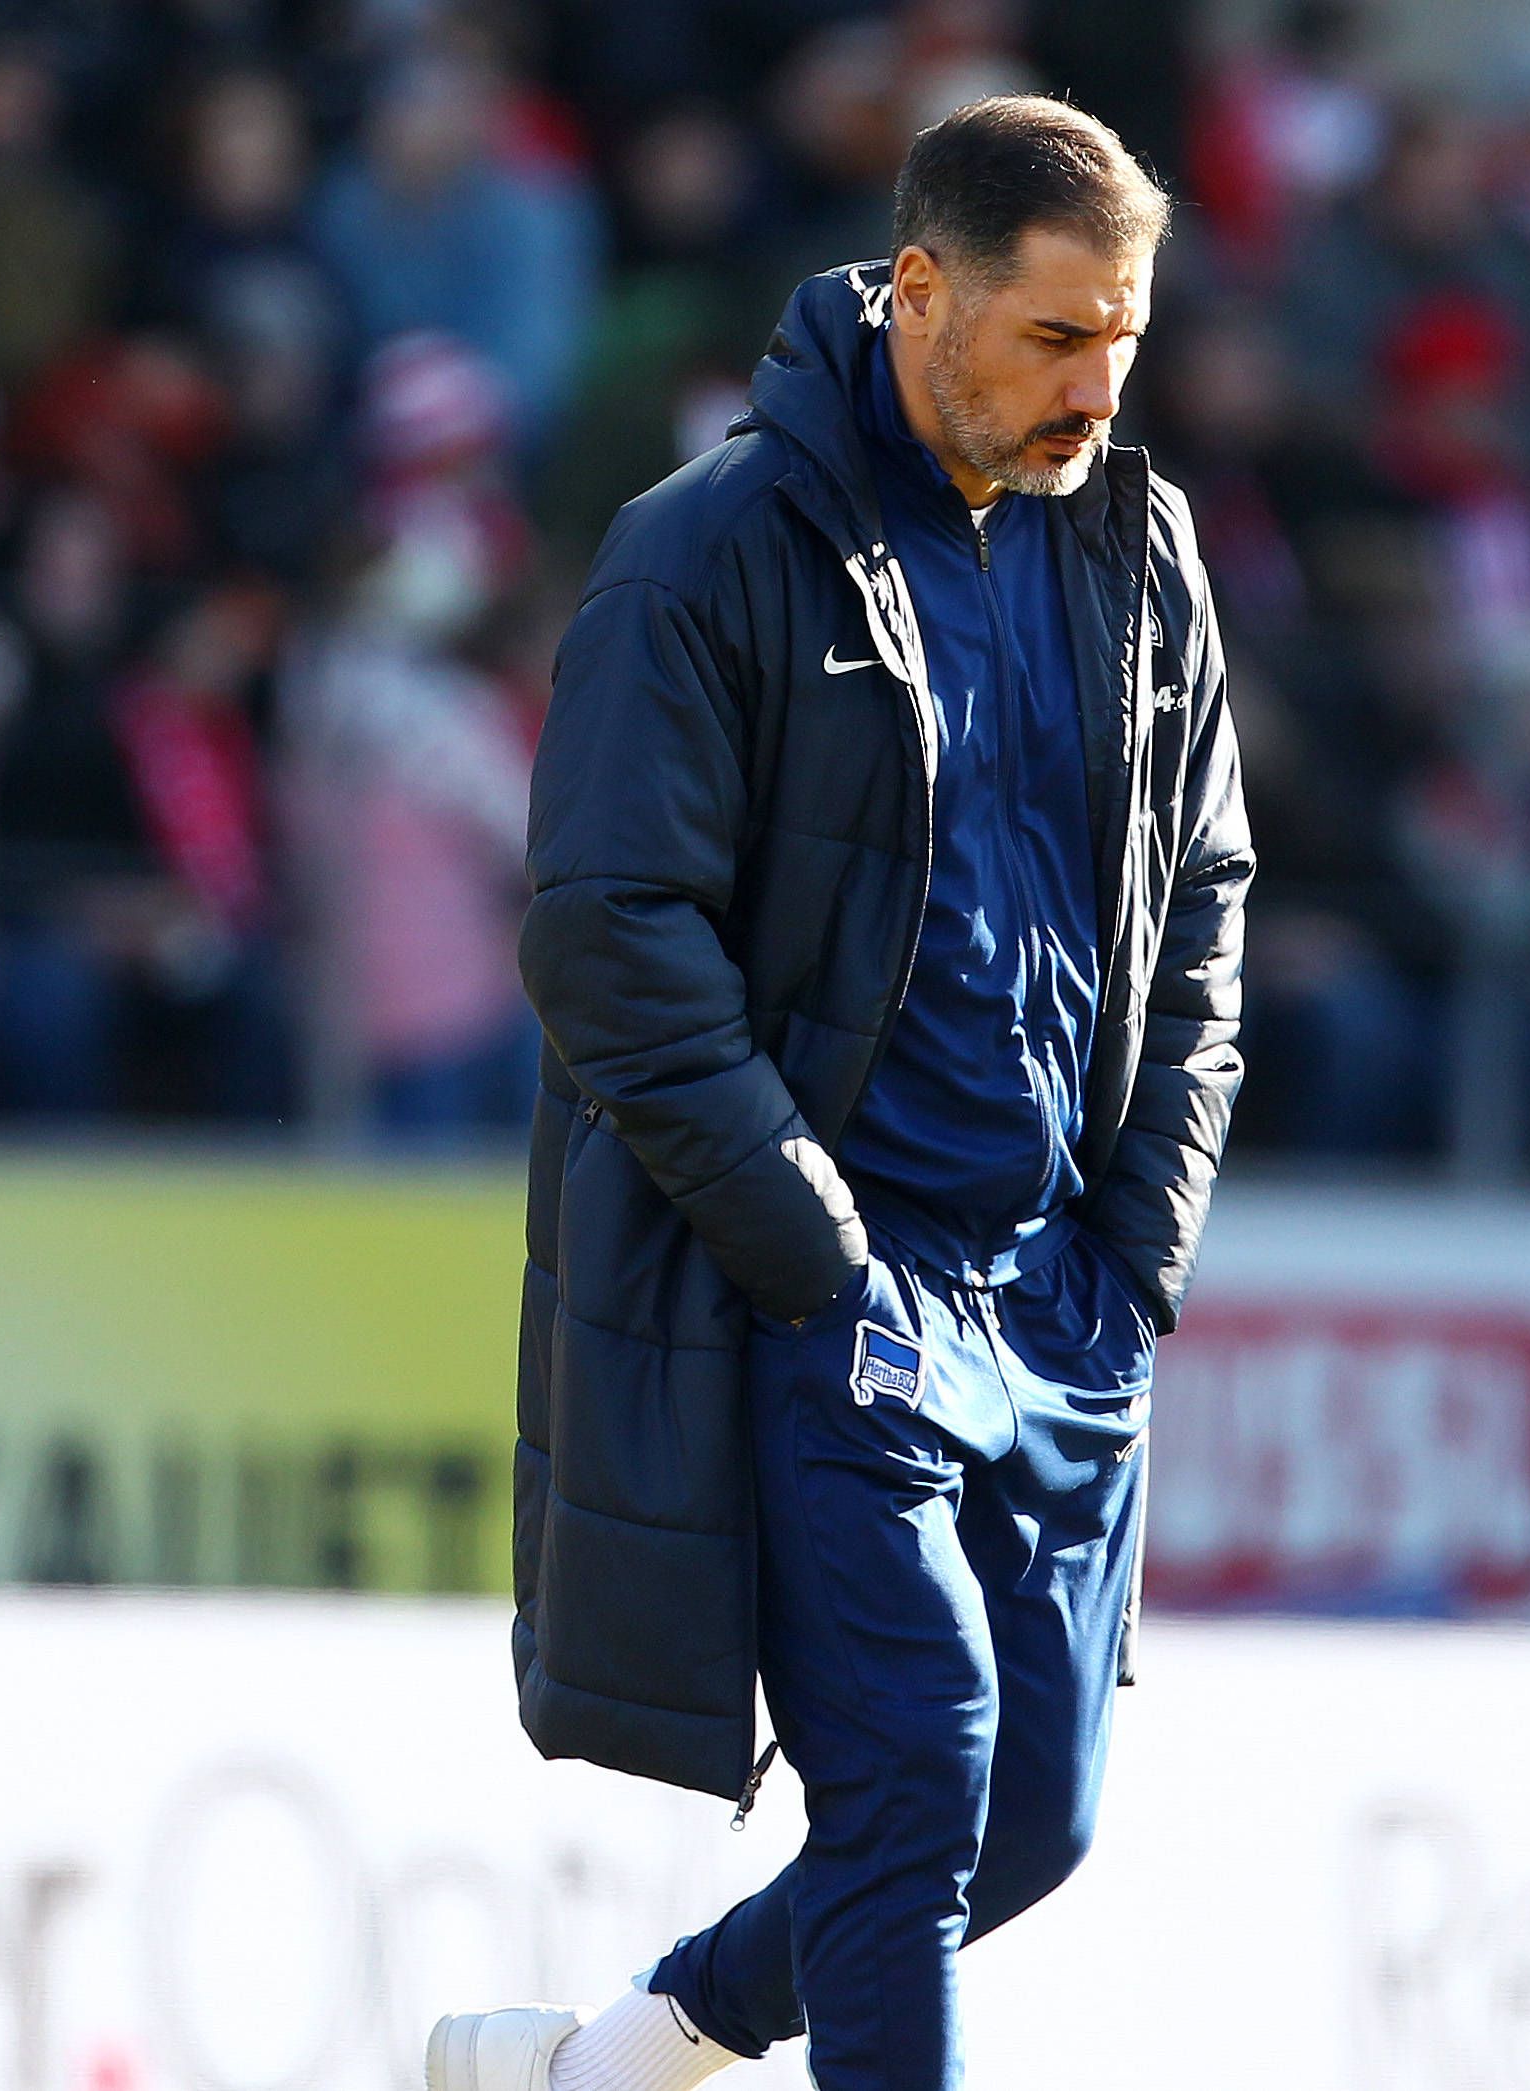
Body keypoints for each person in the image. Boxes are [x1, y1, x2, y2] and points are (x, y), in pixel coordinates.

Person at [424, 97, 1249, 2091]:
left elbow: (1205, 895)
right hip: (845, 1284)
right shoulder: (705, 551)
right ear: (918, 290)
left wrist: (1135, 1247)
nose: (1096, 382)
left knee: (1026, 1824)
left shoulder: (1136, 547)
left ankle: (606, 2063)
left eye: (1122, 337)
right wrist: (819, 1250)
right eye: (1055, 336)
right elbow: (606, 934)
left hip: (1055, 1292)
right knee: (921, 1778)